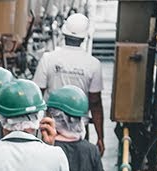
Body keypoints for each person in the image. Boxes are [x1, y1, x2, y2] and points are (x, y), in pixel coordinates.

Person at [33, 13, 106, 155]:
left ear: (64, 32)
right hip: (79, 130)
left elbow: (37, 94)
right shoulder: (93, 64)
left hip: (50, 129)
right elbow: (95, 103)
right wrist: (100, 137)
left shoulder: (48, 59)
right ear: (84, 36)